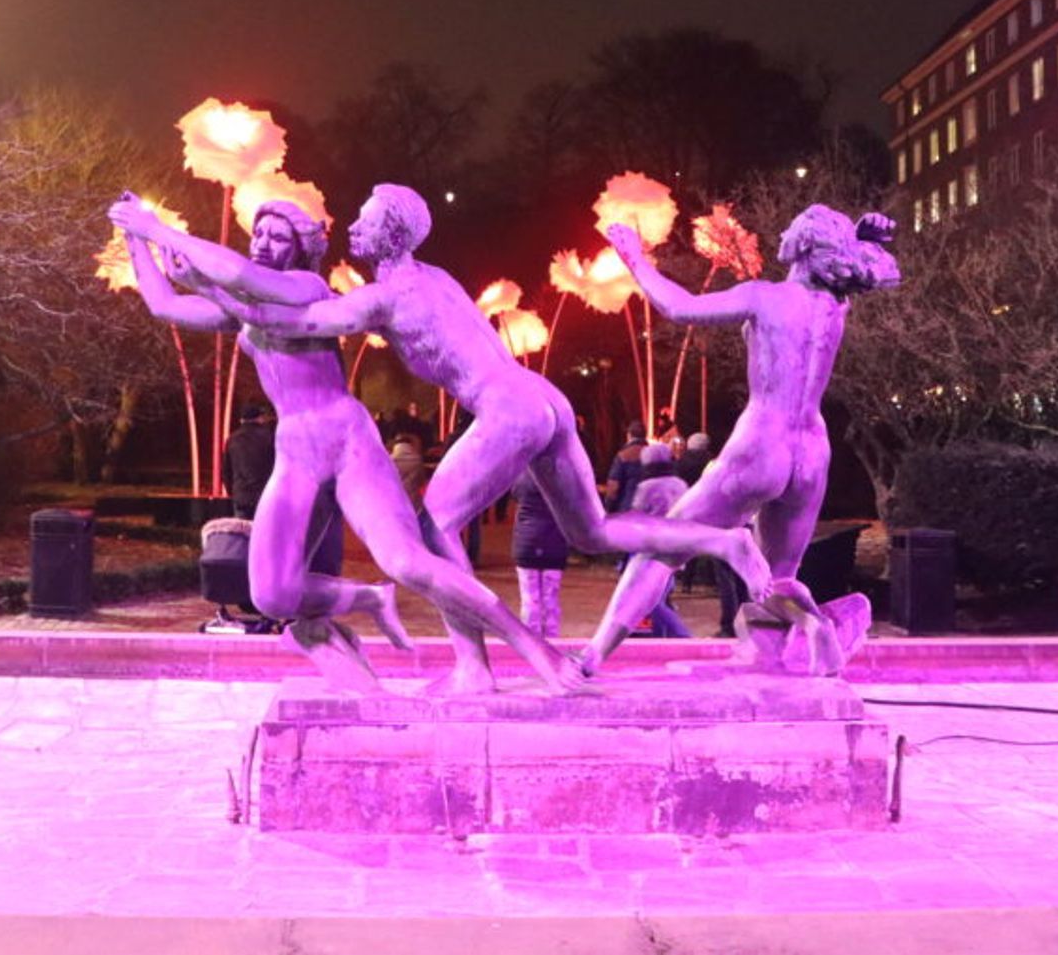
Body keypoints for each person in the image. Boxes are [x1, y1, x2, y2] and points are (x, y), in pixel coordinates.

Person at [139, 182, 770, 690]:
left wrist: (175, 248)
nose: (352, 231)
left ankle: (475, 665)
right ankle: (723, 543)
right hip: (536, 396)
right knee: (594, 530)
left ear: (386, 232)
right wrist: (150, 249)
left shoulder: (380, 299)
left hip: (504, 409)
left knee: (434, 527)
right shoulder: (431, 275)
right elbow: (210, 309)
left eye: (363, 221)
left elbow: (287, 311)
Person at [109, 193, 582, 693]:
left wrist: (160, 230)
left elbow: (243, 279)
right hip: (295, 448)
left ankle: (536, 651)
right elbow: (165, 303)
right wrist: (134, 235)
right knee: (271, 593)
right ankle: (370, 599)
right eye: (260, 233)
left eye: (279, 236)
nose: (265, 243)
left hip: (345, 437)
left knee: (408, 561)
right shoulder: (242, 310)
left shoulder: (304, 285)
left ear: (300, 247)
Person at [595, 206, 897, 674]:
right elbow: (852, 270)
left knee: (663, 548)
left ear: (798, 243)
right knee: (777, 579)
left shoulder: (765, 297)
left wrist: (635, 258)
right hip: (812, 453)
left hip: (763, 442)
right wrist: (862, 239)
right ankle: (813, 627)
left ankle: (592, 656)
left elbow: (679, 308)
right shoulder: (835, 306)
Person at [628, 443, 692, 638]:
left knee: (650, 601)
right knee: (661, 593)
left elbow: (637, 515)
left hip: (654, 548)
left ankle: (682, 636)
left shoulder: (646, 486)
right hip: (679, 545)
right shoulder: (680, 484)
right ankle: (661, 635)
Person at [509, 469, 568, 637]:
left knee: (529, 600)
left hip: (527, 542)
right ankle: (552, 644)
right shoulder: (560, 478)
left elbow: (514, 494)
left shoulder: (522, 477)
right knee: (551, 600)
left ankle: (532, 647)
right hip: (555, 542)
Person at [223, 402, 276, 520]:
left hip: (241, 496)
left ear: (242, 420)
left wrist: (233, 493)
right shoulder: (270, 437)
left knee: (243, 533)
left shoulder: (232, 439)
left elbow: (226, 471)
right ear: (259, 418)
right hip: (265, 495)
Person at [602, 421, 646, 512]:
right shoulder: (654, 455)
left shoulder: (623, 455)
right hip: (649, 509)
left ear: (629, 435)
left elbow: (614, 485)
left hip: (627, 508)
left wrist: (608, 507)